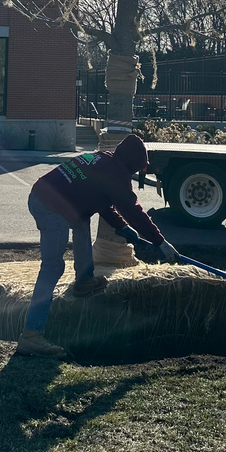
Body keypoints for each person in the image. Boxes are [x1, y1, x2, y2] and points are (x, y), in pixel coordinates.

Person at [17, 133, 178, 357]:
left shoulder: (104, 160)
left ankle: (84, 280)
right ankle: (31, 335)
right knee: (53, 267)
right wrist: (161, 242)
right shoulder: (116, 174)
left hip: (46, 194)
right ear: (132, 164)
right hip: (49, 205)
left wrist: (122, 228)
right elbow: (133, 211)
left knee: (82, 220)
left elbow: (103, 203)